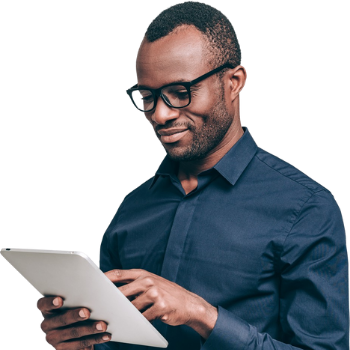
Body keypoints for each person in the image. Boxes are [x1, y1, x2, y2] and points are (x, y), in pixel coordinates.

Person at [37, 2, 349, 350]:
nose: (160, 114)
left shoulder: (306, 209)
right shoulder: (133, 211)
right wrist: (84, 343)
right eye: (148, 96)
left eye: (180, 92)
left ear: (233, 83)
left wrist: (202, 314)